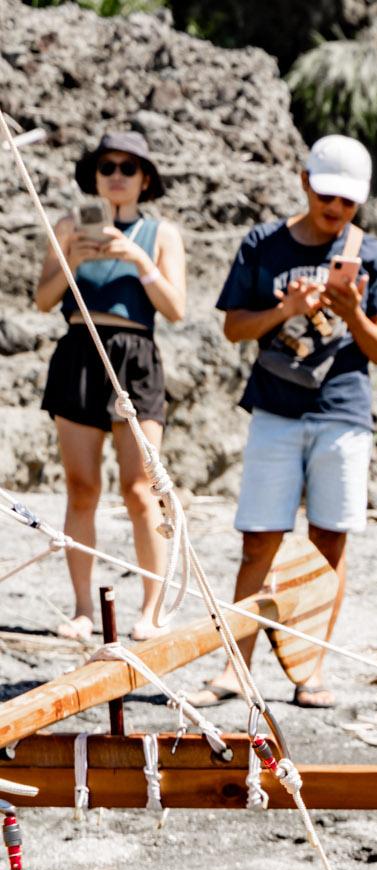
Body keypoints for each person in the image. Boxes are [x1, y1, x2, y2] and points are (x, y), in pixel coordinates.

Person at [194, 134, 377, 708]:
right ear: (305, 182)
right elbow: (234, 328)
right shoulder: (262, 244)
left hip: (342, 410)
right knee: (258, 541)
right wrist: (287, 309)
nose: (336, 209)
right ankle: (235, 667)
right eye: (327, 195)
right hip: (275, 409)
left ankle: (309, 670)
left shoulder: (375, 256)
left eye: (348, 201)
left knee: (328, 545)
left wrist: (351, 311)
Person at [33, 130, 187, 641]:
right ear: (95, 176)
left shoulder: (161, 234)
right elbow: (43, 299)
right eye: (107, 167)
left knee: (141, 488)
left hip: (135, 356)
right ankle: (83, 610)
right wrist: (74, 257)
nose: (116, 175)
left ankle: (153, 608)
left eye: (127, 167)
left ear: (145, 179)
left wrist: (136, 260)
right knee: (82, 489)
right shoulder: (68, 226)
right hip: (79, 349)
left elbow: (175, 308)